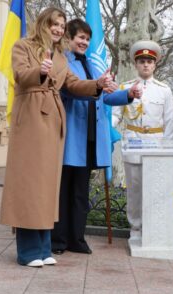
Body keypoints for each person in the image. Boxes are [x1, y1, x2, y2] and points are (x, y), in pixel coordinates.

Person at [0, 7, 113, 267]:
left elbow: (73, 85)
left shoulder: (61, 58)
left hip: (53, 122)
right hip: (31, 118)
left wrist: (98, 84)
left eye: (62, 25)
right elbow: (20, 75)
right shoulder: (23, 46)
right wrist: (40, 70)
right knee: (31, 184)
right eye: (55, 23)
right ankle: (28, 251)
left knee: (48, 185)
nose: (59, 28)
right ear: (43, 23)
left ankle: (43, 247)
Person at [51, 19, 142, 255]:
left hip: (92, 137)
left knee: (81, 191)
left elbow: (104, 97)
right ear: (68, 38)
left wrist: (127, 94)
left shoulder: (92, 63)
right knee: (63, 190)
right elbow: (70, 89)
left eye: (87, 39)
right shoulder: (61, 61)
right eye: (80, 37)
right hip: (71, 135)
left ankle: (77, 238)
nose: (84, 42)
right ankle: (58, 240)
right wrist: (97, 84)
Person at [112, 40, 173, 241]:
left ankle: (154, 227)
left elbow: (170, 121)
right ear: (135, 64)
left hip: (156, 145)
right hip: (133, 143)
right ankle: (136, 228)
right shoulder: (126, 87)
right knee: (135, 190)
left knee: (155, 188)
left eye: (149, 61)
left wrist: (166, 148)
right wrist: (106, 131)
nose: (146, 65)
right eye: (141, 61)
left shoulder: (164, 89)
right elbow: (116, 115)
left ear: (155, 64)